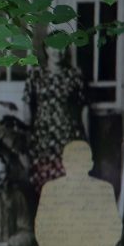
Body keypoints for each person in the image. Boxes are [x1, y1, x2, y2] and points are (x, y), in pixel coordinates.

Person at [23, 45, 87, 194]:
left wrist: (86, 137)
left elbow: (83, 108)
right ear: (46, 49)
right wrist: (28, 133)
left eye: (61, 46)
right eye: (53, 46)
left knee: (68, 176)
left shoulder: (74, 75)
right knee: (44, 178)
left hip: (68, 135)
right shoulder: (35, 74)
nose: (57, 51)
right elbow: (26, 103)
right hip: (43, 136)